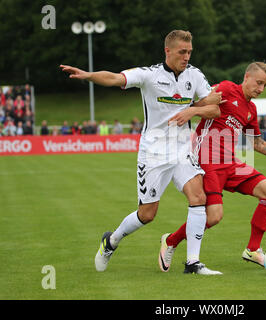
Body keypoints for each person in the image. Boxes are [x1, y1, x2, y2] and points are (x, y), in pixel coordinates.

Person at [60, 30, 223, 275]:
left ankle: (193, 263)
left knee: (198, 197)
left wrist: (193, 111)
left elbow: (215, 109)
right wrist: (88, 75)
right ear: (167, 51)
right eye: (182, 52)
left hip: (181, 151)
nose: (186, 56)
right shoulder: (149, 75)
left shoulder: (195, 76)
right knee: (147, 214)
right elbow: (115, 78)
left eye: (189, 52)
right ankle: (111, 240)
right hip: (154, 152)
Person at [158, 62, 266, 272]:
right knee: (214, 217)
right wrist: (192, 110)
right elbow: (200, 99)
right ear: (246, 77)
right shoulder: (227, 88)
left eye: (265, 85)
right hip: (208, 162)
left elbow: (256, 144)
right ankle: (171, 241)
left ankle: (253, 249)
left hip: (231, 163)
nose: (261, 89)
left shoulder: (251, 109)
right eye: (258, 83)